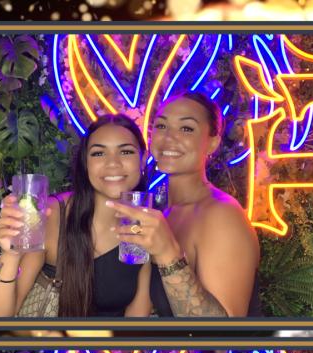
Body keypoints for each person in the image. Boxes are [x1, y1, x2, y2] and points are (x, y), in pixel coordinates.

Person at [0, 114, 154, 318]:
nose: (113, 163)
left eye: (126, 151)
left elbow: (138, 312)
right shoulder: (53, 215)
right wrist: (11, 255)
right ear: (85, 163)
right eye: (98, 153)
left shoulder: (146, 220)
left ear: (143, 159)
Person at [106, 93, 263, 317]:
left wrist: (167, 253)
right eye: (161, 126)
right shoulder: (160, 208)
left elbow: (224, 334)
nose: (169, 137)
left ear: (212, 143)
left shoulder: (221, 215)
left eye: (186, 128)